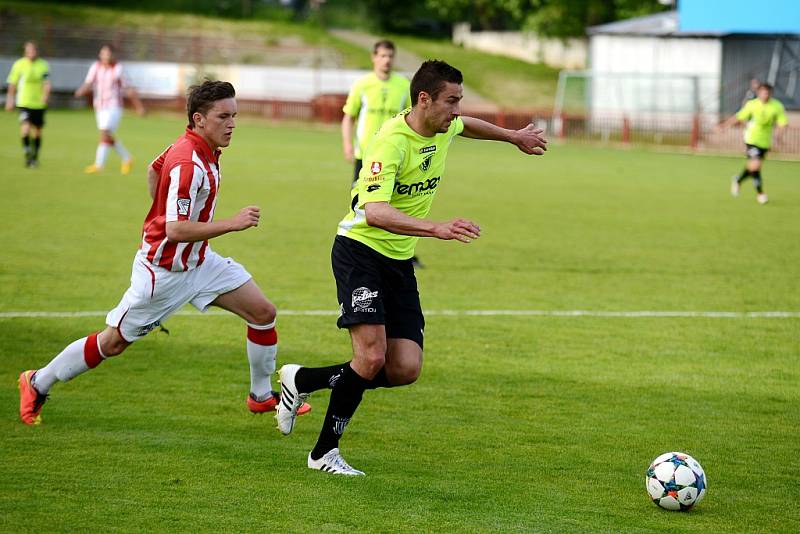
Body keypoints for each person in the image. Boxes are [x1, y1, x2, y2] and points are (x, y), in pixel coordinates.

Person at [275, 60, 547, 475]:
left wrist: (511, 137)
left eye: (459, 101)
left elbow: (467, 125)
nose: (457, 110)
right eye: (451, 101)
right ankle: (323, 453)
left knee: (404, 368)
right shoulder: (391, 143)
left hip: (398, 261)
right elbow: (375, 212)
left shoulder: (442, 126)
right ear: (425, 99)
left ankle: (304, 379)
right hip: (360, 252)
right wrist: (434, 228)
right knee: (369, 358)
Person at [18, 80, 310, 426]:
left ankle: (260, 396)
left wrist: (161, 208)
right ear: (199, 119)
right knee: (112, 343)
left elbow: (153, 169)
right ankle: (37, 382)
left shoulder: (198, 147)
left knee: (262, 312)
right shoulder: (190, 164)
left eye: (234, 116)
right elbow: (175, 229)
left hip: (200, 262)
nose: (231, 124)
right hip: (164, 274)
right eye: (223, 117)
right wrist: (231, 223)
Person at [341, 40, 425, 268]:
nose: (387, 60)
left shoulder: (402, 85)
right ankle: (362, 249)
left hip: (396, 156)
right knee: (362, 205)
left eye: (390, 56)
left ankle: (405, 254)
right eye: (383, 56)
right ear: (373, 57)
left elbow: (412, 118)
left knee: (402, 204)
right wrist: (347, 144)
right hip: (366, 156)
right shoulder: (363, 85)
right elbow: (349, 116)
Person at [75, 44, 145, 175]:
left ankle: (99, 165)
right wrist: (81, 91)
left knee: (104, 132)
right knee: (106, 136)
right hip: (99, 107)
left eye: (107, 53)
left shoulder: (118, 68)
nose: (105, 56)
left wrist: (139, 106)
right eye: (103, 53)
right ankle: (127, 158)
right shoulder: (95, 67)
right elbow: (89, 82)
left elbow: (128, 88)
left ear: (113, 55)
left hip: (114, 106)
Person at [719, 82, 788, 204]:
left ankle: (738, 180)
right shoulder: (752, 104)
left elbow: (783, 123)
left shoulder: (777, 106)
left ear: (770, 93)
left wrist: (779, 136)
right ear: (758, 93)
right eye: (762, 92)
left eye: (767, 92)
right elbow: (739, 116)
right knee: (756, 165)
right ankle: (760, 194)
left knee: (753, 166)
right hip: (751, 138)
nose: (765, 95)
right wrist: (725, 126)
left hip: (765, 141)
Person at [5, 41, 50, 168]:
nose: (31, 53)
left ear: (37, 51)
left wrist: (45, 96)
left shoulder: (43, 65)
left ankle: (35, 156)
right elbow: (12, 83)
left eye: (33, 51)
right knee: (25, 128)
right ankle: (27, 151)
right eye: (29, 51)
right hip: (24, 102)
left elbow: (46, 83)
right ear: (25, 52)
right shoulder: (19, 64)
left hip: (39, 104)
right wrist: (10, 100)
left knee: (37, 131)